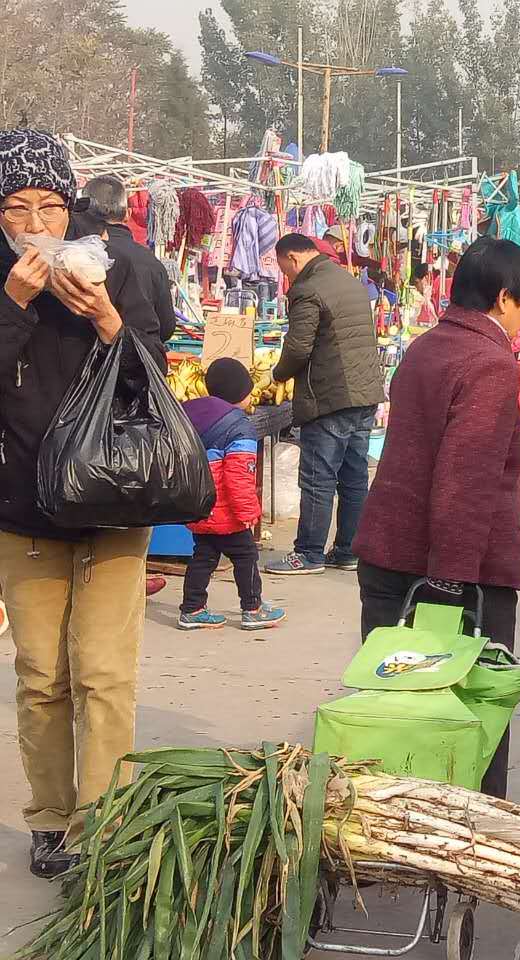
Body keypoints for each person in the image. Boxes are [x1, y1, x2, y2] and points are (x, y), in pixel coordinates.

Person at [0, 128, 164, 878]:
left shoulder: (122, 268)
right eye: (16, 209)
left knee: (103, 674)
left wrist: (104, 318)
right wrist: (15, 306)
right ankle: (50, 816)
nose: (36, 225)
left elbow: (153, 380)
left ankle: (104, 825)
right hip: (23, 507)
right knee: (42, 679)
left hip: (112, 502)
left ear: (72, 208)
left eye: (50, 207)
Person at [352, 237, 520, 799]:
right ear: (503, 299)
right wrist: (450, 581)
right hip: (453, 573)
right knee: (472, 719)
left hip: (392, 555)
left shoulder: (428, 346)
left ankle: (397, 827)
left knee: (395, 709)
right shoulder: (488, 362)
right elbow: (465, 480)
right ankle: (469, 838)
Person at [266, 233, 384, 575]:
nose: (286, 275)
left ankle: (308, 553)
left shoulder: (307, 289)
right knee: (353, 476)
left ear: (292, 258)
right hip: (363, 393)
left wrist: (278, 374)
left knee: (318, 477)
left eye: (283, 267)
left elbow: (298, 348)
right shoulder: (349, 281)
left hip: (331, 395)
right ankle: (348, 549)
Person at [178, 358, 287, 631]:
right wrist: (249, 513)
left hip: (200, 506)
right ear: (241, 393)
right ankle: (253, 608)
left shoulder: (189, 413)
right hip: (228, 513)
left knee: (203, 557)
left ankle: (191, 608)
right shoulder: (239, 426)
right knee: (246, 557)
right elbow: (238, 477)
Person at [80, 175, 178, 342]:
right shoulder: (151, 262)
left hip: (84, 363)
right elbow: (167, 328)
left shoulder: (73, 257)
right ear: (126, 214)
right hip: (136, 360)